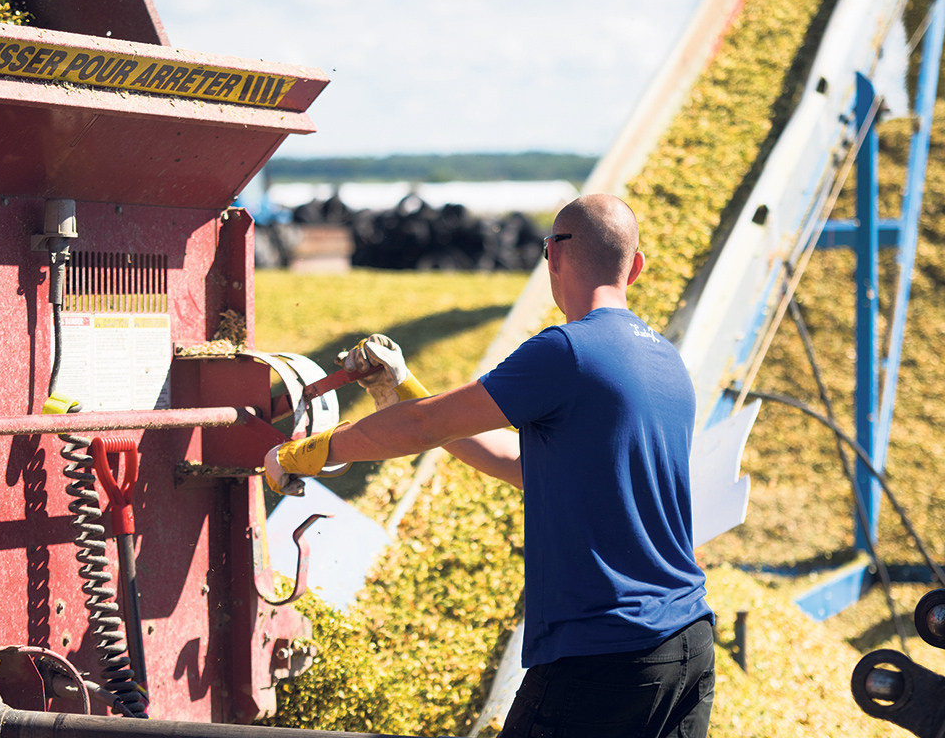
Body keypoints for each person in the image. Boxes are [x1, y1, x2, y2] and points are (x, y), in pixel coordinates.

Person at [265, 193, 715, 738]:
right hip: (687, 645)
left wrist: (305, 452)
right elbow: (522, 462)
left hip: (603, 652)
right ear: (636, 266)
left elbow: (421, 428)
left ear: (552, 255)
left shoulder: (567, 351)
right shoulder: (667, 360)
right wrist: (404, 390)